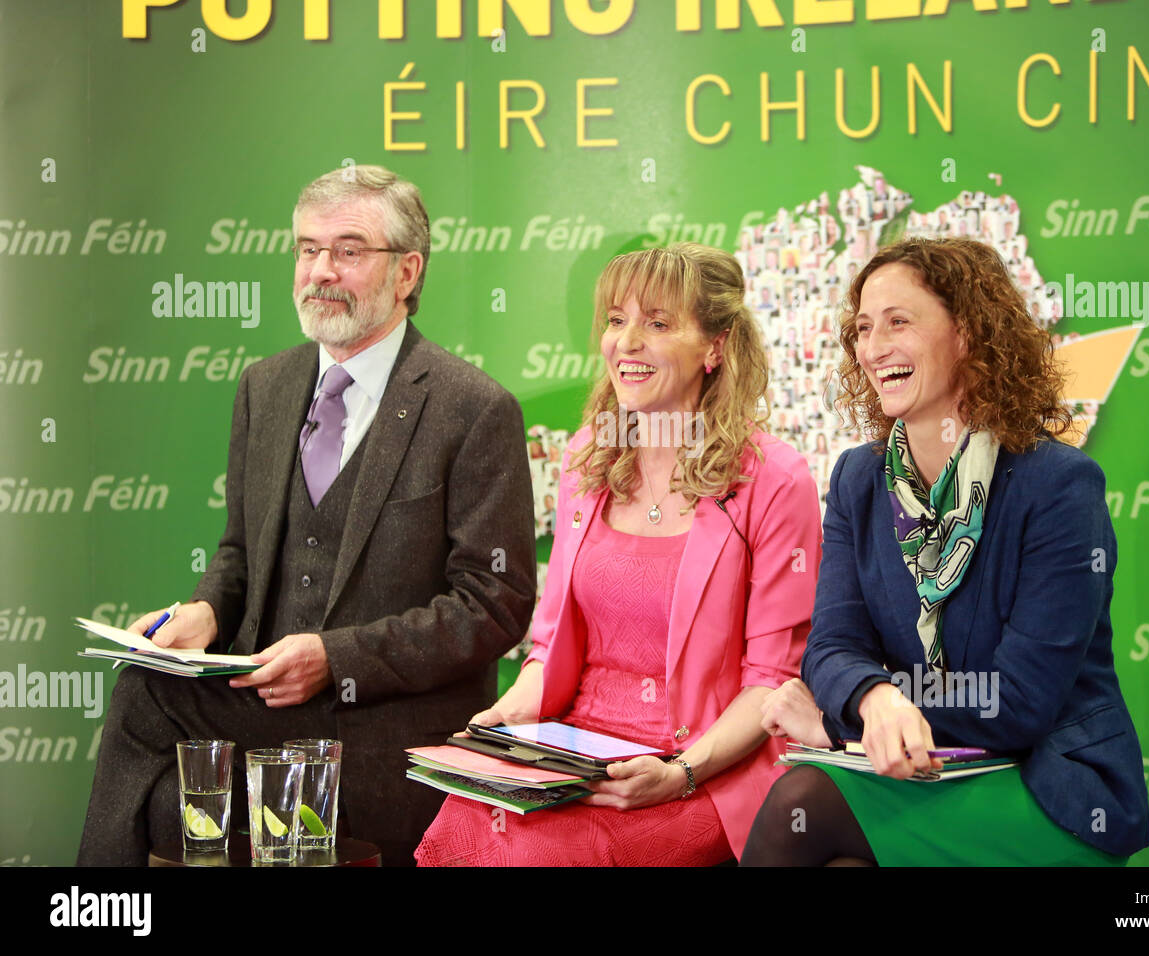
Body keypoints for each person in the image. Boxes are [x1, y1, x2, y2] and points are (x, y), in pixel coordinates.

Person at [77, 166, 536, 866]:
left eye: (349, 251)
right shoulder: (266, 386)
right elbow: (239, 553)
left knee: (172, 792)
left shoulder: (472, 409)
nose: (320, 271)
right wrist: (202, 612)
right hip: (263, 703)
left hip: (390, 731)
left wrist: (336, 660)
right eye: (306, 249)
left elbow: (495, 605)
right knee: (145, 686)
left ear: (407, 272)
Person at [742, 237, 1149, 866]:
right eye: (863, 329)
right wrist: (875, 702)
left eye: (899, 322)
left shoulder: (1058, 485)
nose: (874, 348)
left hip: (1047, 788)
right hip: (924, 777)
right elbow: (831, 646)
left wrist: (840, 723)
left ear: (968, 335)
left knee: (803, 806)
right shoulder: (859, 478)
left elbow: (1016, 703)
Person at [415, 243, 822, 866]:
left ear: (715, 348)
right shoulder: (589, 458)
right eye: (615, 319)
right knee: (467, 820)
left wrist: (680, 772)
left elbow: (769, 682)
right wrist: (501, 719)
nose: (626, 342)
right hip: (574, 754)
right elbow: (549, 646)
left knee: (535, 853)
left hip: (704, 770)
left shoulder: (774, 479)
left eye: (657, 323)